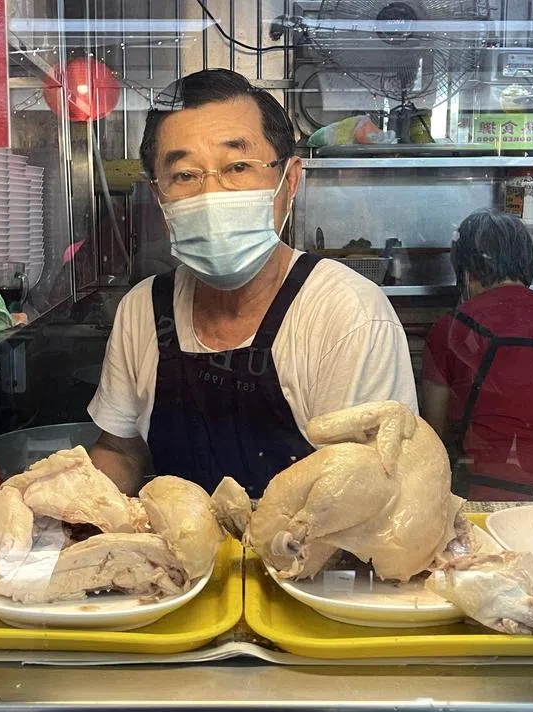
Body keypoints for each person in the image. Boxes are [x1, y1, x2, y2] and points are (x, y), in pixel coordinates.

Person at [87, 69, 417, 497]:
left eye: (238, 167)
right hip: (186, 560)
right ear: (158, 195)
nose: (212, 194)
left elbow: (374, 482)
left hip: (308, 557)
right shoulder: (142, 311)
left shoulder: (347, 314)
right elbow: (121, 450)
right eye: (185, 175)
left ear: (290, 179)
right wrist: (81, 515)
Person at [422, 210, 533, 500]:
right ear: (527, 261)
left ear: (465, 270)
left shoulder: (450, 330)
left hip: (474, 492)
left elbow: (432, 437)